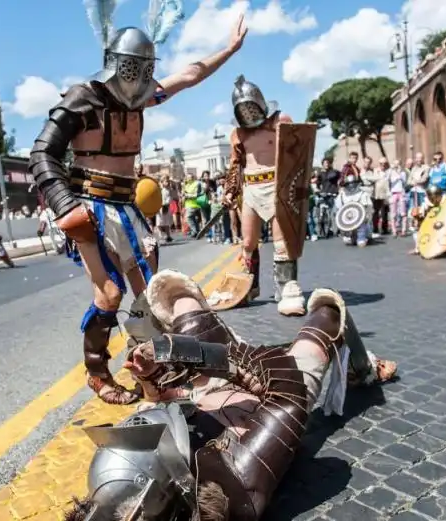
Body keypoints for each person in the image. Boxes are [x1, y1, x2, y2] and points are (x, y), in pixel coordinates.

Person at [28, 2, 247, 405]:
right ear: (115, 62)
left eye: (146, 69)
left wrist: (229, 51)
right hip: (88, 206)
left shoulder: (142, 98)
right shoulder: (83, 97)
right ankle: (97, 373)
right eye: (134, 67)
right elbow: (43, 153)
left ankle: (150, 372)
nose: (139, 77)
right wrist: (63, 205)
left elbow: (190, 74)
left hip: (128, 208)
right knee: (109, 295)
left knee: (151, 298)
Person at [65, 269, 397, 521]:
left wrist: (155, 379)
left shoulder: (134, 496)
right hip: (266, 394)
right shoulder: (235, 480)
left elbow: (170, 408)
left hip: (208, 390)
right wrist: (192, 351)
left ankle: (210, 345)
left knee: (172, 293)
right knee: (326, 312)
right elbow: (287, 390)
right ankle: (361, 368)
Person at [222, 75, 306, 316]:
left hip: (278, 185)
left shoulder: (281, 121)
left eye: (251, 106)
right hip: (251, 189)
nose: (248, 113)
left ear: (260, 103)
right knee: (247, 243)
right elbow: (235, 165)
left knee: (282, 242)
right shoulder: (237, 134)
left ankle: (287, 288)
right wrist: (230, 191)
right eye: (243, 109)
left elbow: (298, 151)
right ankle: (249, 287)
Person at [335, 173, 373, 247]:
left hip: (361, 219)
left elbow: (368, 207)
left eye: (353, 183)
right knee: (348, 241)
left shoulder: (362, 194)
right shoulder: (342, 195)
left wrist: (368, 216)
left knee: (362, 225)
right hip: (347, 220)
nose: (351, 185)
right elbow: (338, 209)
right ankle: (348, 236)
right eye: (349, 184)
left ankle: (362, 237)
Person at [409, 185, 444, 255]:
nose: (434, 198)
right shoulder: (425, 204)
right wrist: (417, 217)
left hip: (441, 225)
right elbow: (421, 216)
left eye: (435, 196)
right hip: (429, 225)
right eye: (432, 196)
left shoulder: (445, 202)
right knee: (415, 229)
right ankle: (418, 248)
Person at [387, 159, 407, 237]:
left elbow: (404, 182)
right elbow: (387, 179)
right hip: (393, 193)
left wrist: (400, 174)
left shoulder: (403, 173)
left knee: (403, 212)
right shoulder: (390, 172)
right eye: (395, 164)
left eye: (398, 164)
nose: (396, 166)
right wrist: (392, 170)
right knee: (393, 213)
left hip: (401, 192)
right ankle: (394, 230)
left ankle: (404, 230)